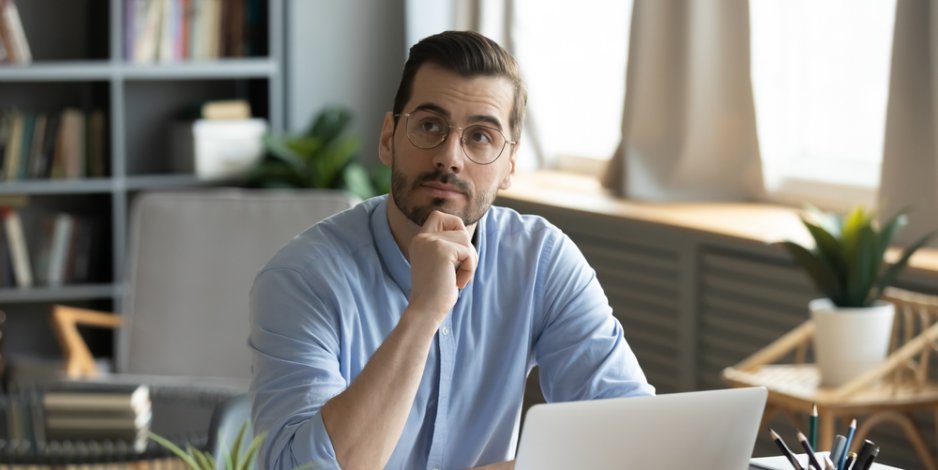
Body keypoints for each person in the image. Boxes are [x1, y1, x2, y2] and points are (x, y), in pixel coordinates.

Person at [249, 30, 654, 470]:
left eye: (480, 136)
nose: (450, 157)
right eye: (429, 126)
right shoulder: (301, 279)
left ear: (510, 167)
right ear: (388, 138)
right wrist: (423, 312)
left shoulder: (541, 260)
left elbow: (631, 435)